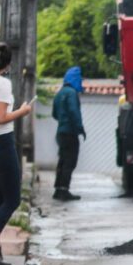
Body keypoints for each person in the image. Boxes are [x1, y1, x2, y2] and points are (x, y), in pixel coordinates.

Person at [0, 44, 32, 265]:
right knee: (12, 198)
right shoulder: (3, 83)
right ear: (8, 64)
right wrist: (23, 111)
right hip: (2, 141)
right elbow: (0, 118)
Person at [51, 66, 86, 201]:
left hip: (60, 133)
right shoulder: (72, 93)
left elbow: (54, 114)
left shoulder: (59, 93)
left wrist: (62, 121)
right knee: (70, 162)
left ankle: (58, 189)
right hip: (70, 133)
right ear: (75, 79)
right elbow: (74, 112)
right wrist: (80, 128)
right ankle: (64, 191)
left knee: (62, 161)